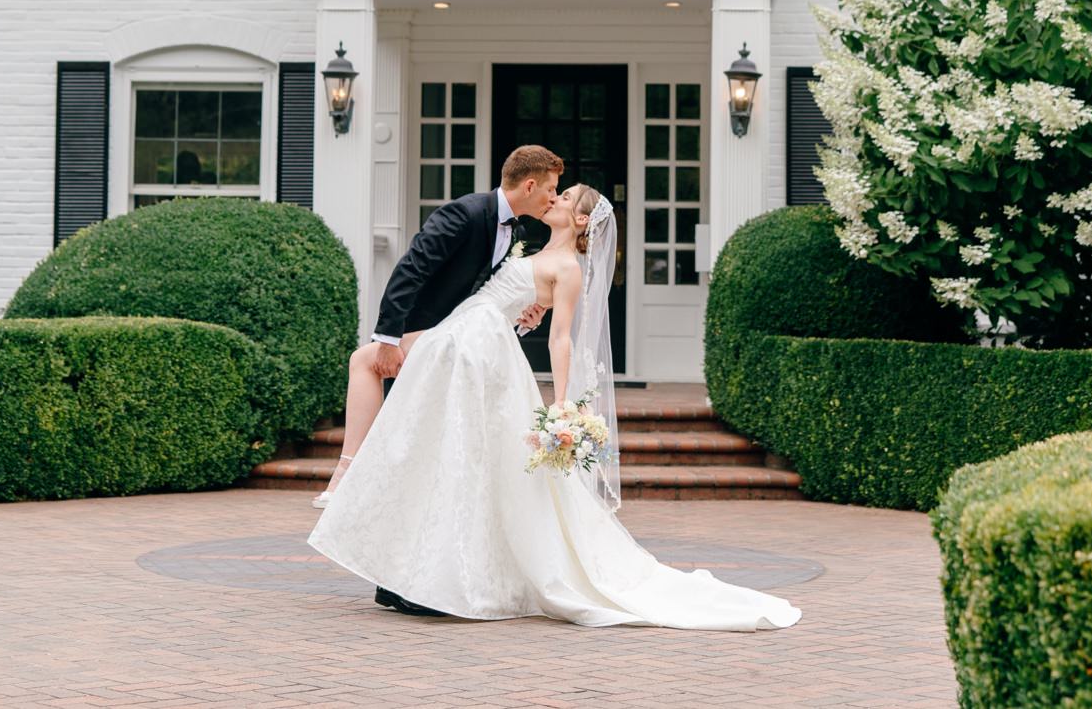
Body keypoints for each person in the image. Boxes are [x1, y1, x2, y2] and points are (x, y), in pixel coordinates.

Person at [310, 183, 803, 631]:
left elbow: (562, 339)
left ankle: (436, 577)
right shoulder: (527, 245)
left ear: (583, 221)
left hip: (481, 356)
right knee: (433, 453)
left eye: (565, 198)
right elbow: (504, 299)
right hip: (462, 340)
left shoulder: (568, 268)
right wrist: (524, 316)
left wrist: (561, 403)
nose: (555, 200)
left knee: (461, 467)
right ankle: (401, 565)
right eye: (554, 192)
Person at [312, 144, 562, 508]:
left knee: (370, 371)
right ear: (528, 186)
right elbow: (412, 268)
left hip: (466, 338)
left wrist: (524, 319)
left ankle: (351, 481)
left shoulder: (518, 233)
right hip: (434, 330)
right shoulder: (466, 213)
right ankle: (355, 478)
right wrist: (388, 337)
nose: (552, 199)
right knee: (370, 363)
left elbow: (493, 295)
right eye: (550, 189)